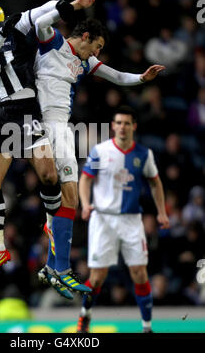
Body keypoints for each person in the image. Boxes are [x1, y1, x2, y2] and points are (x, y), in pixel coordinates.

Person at [33, 0, 165, 300]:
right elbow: (40, 22)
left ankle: (55, 268)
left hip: (61, 125)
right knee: (55, 186)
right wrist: (74, 6)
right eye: (97, 45)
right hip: (36, 123)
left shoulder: (85, 61)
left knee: (69, 196)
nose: (98, 52)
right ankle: (55, 265)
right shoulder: (53, 41)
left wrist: (143, 78)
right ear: (85, 37)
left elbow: (117, 76)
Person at [0, 0, 63, 275]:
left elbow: (42, 11)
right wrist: (4, 33)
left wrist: (72, 4)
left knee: (49, 175)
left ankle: (53, 226)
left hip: (27, 107)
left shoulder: (14, 25)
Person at [76, 106, 170, 333]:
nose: (122, 127)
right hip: (103, 220)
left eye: (127, 123)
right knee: (97, 278)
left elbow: (155, 182)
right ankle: (84, 315)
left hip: (130, 220)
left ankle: (147, 326)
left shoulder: (143, 154)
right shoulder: (100, 151)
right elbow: (86, 179)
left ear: (133, 126)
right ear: (113, 125)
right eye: (119, 122)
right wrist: (85, 203)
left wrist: (162, 212)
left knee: (139, 272)